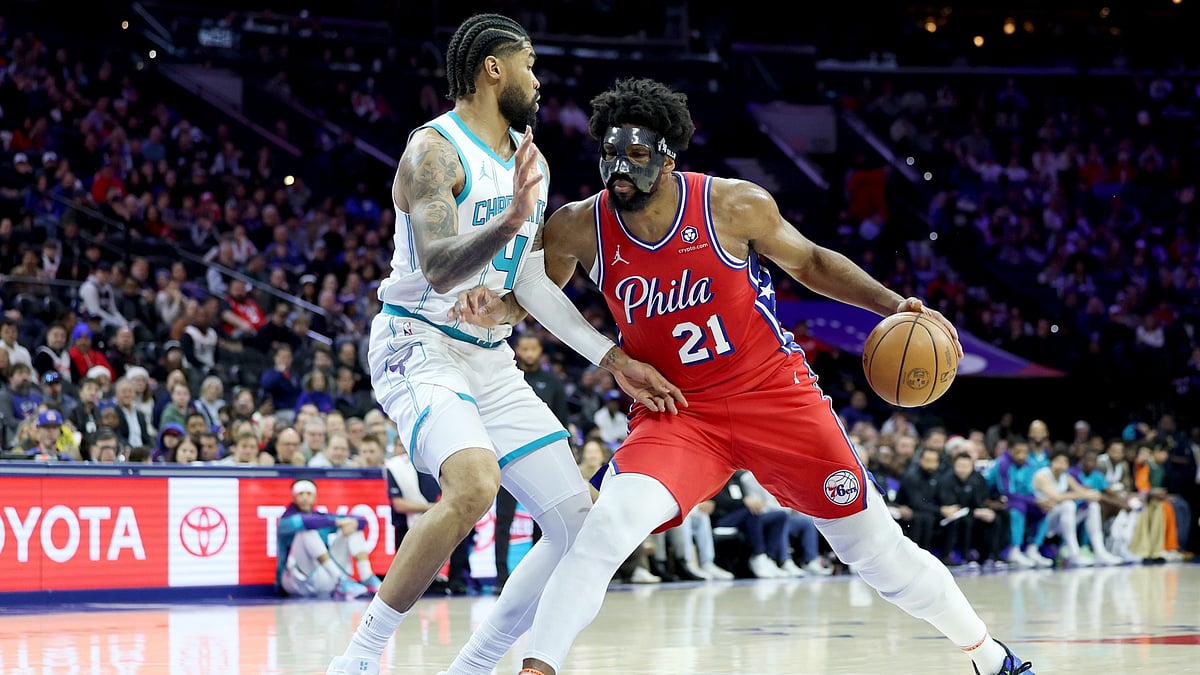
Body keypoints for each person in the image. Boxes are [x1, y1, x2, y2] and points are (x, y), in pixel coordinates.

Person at [453, 77, 1033, 675]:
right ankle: (536, 669)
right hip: (679, 413)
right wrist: (492, 308)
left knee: (879, 555)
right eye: (611, 153)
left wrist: (893, 305)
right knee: (605, 528)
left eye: (638, 155)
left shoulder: (732, 205)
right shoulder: (579, 225)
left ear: (668, 156)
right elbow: (531, 294)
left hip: (773, 396)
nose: (620, 167)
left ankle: (991, 658)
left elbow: (808, 262)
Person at [323, 17, 683, 675]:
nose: (539, 82)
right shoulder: (433, 151)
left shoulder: (533, 161)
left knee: (582, 522)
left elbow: (529, 284)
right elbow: (438, 267)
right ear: (494, 68)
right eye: (530, 64)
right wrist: (510, 221)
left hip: (488, 354)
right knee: (475, 485)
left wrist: (613, 358)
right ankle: (359, 656)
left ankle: (476, 663)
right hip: (417, 342)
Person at [276, 478, 382, 599]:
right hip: (295, 581)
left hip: (323, 577)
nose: (305, 498)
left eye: (309, 494)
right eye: (300, 494)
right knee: (306, 531)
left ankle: (366, 578)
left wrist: (352, 523)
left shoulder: (321, 517)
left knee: (352, 526)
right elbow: (305, 522)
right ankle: (340, 580)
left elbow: (361, 520)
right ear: (294, 498)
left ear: (315, 497)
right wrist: (338, 522)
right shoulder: (286, 521)